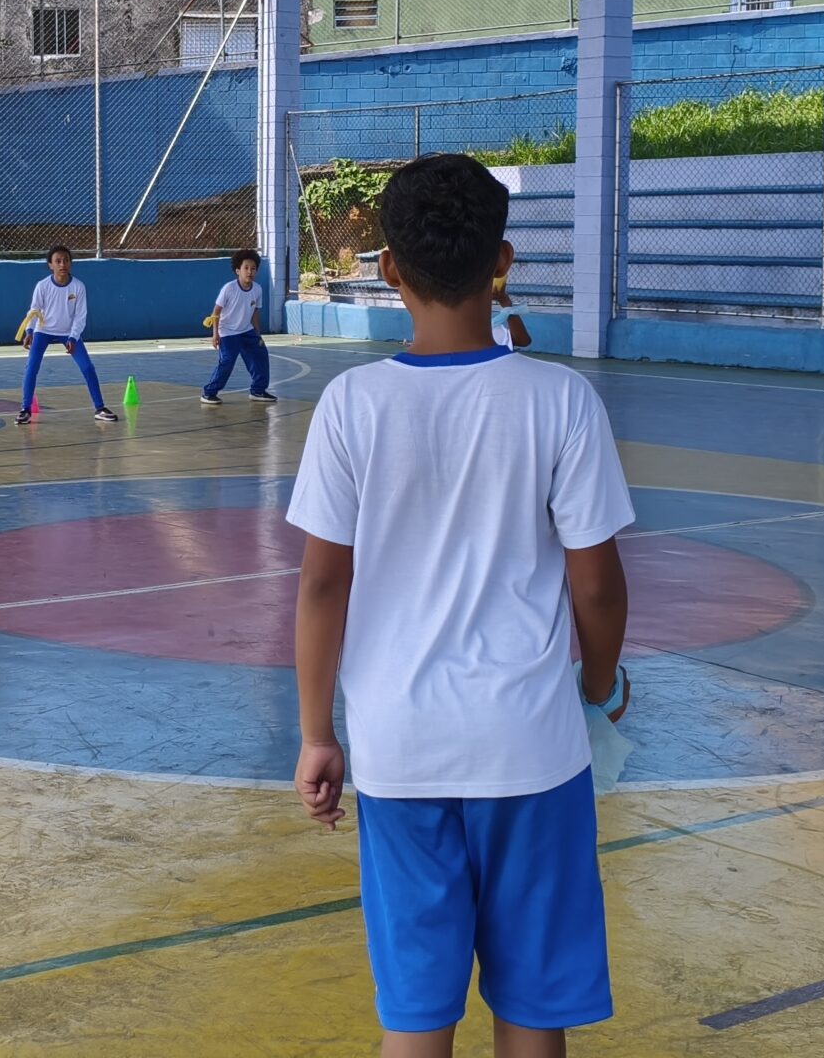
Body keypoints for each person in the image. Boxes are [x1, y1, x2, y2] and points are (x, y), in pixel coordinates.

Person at [287, 154, 634, 1057]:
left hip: (401, 749)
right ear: (503, 261)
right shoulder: (561, 399)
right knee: (534, 1012)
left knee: (416, 1013)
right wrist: (598, 684)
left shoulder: (351, 404)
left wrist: (317, 733)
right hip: (531, 747)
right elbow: (598, 584)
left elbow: (322, 584)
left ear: (388, 268)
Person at [17, 245, 118, 425]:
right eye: (58, 261)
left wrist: (73, 337)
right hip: (43, 331)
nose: (62, 264)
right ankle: (25, 410)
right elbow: (34, 310)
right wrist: (29, 331)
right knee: (31, 367)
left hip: (68, 333)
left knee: (87, 367)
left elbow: (80, 316)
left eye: (66, 260)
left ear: (70, 263)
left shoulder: (78, 287)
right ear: (50, 265)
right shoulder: (42, 286)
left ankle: (100, 408)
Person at [200, 248, 275, 406]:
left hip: (247, 330)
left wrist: (258, 334)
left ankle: (258, 390)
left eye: (253, 268)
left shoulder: (257, 289)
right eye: (246, 268)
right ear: (237, 270)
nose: (249, 272)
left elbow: (255, 313)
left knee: (261, 355)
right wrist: (215, 334)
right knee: (227, 362)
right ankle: (209, 393)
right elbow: (216, 312)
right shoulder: (229, 288)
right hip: (227, 332)